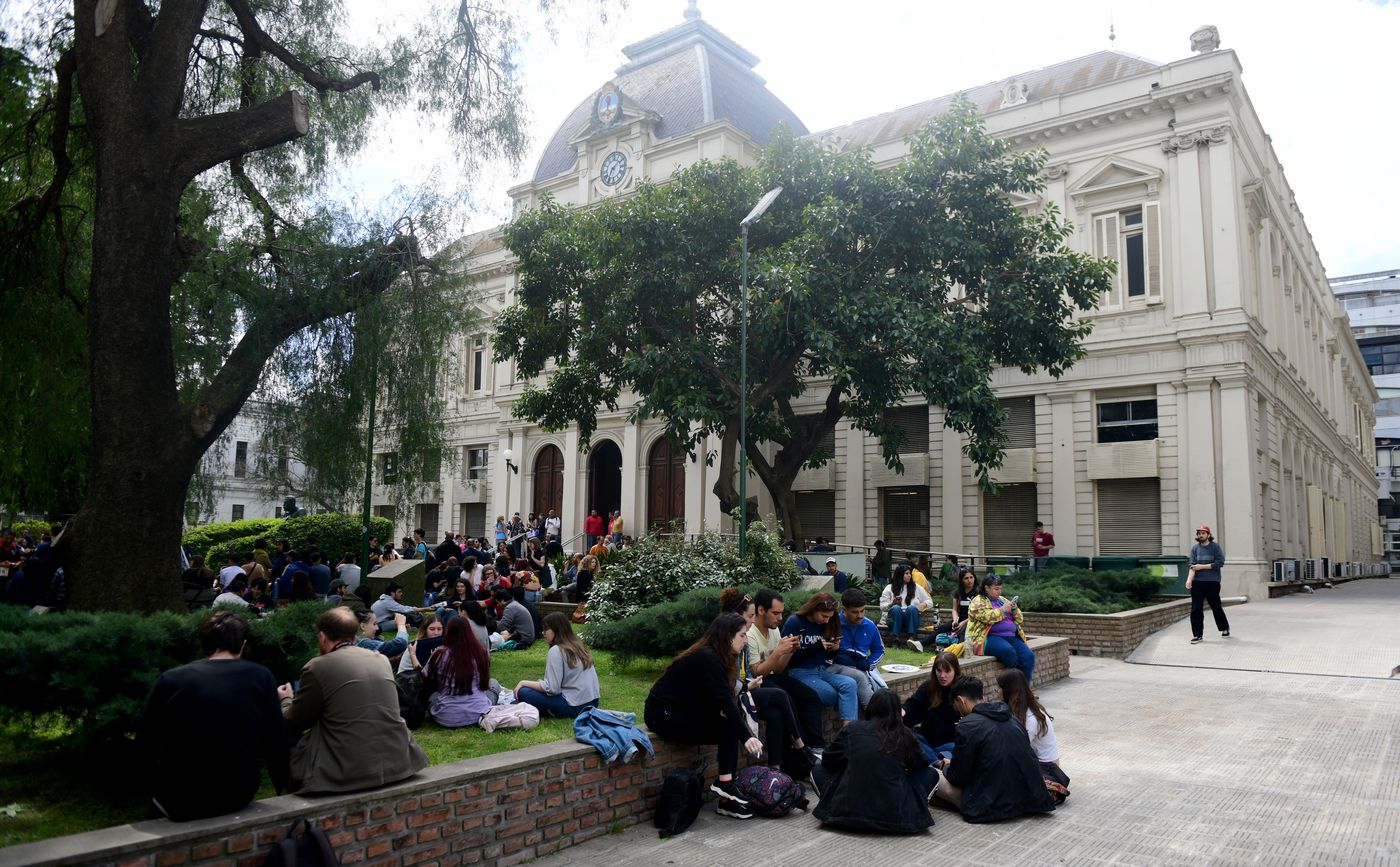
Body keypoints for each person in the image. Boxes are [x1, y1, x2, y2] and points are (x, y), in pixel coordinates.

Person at [138, 611, 289, 821]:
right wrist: (285, 789)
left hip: (180, 795)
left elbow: (147, 740)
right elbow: (276, 741)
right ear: (242, 644)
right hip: (237, 792)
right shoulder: (260, 676)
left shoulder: (172, 679)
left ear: (205, 643)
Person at [278, 607, 428, 793]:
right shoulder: (380, 659)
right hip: (400, 760)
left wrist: (285, 700)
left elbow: (295, 721)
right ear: (354, 636)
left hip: (347, 771)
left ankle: (287, 805)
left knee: (280, 735)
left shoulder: (317, 667)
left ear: (323, 637)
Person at [645, 613, 765, 819]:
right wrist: (747, 737)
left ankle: (726, 792)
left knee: (726, 724)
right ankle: (726, 787)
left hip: (683, 710)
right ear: (728, 637)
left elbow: (718, 694)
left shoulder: (718, 656)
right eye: (743, 636)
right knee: (727, 724)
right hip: (661, 714)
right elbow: (726, 703)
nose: (745, 641)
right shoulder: (707, 657)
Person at [811, 689, 937, 834]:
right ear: (897, 711)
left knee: (818, 770)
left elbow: (828, 759)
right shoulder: (905, 733)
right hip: (896, 816)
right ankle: (914, 808)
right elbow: (921, 765)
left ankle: (834, 806)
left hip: (846, 813)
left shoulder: (852, 728)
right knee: (931, 774)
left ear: (871, 707)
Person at [721, 588, 816, 780]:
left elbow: (753, 672)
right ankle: (802, 748)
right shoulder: (730, 640)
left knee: (777, 714)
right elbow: (750, 673)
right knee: (781, 695)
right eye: (750, 616)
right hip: (736, 695)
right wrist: (749, 683)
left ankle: (776, 771)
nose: (752, 620)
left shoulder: (745, 638)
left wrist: (787, 651)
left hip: (748, 688)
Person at [932, 676, 1055, 822]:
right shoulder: (1012, 718)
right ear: (981, 697)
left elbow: (958, 776)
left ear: (960, 700)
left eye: (955, 705)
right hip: (1026, 799)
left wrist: (946, 766)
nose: (956, 710)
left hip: (989, 806)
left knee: (931, 775)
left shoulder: (967, 726)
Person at [748, 588, 827, 755]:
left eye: (781, 613)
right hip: (756, 683)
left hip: (773, 677)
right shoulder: (750, 634)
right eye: (775, 613)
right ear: (761, 610)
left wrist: (789, 650)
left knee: (810, 696)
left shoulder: (774, 630)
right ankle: (801, 750)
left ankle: (817, 746)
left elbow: (777, 669)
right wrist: (778, 652)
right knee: (787, 699)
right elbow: (756, 673)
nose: (780, 618)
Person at [780, 592, 859, 729]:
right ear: (814, 609)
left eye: (829, 617)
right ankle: (848, 735)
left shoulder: (824, 624)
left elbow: (826, 658)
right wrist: (816, 647)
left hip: (822, 671)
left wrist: (833, 649)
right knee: (839, 695)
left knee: (850, 684)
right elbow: (789, 658)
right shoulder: (795, 622)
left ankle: (848, 733)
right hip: (800, 672)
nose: (827, 620)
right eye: (824, 616)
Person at [411, 616, 495, 728]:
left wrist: (412, 655)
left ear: (448, 632)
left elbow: (424, 676)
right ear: (469, 631)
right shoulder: (482, 652)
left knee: (433, 696)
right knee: (493, 685)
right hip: (478, 713)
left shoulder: (439, 654)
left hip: (445, 717)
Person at [514, 613, 602, 718]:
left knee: (523, 692)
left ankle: (546, 710)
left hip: (574, 707)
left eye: (546, 629)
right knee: (534, 689)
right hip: (592, 703)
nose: (543, 633)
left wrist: (523, 682)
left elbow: (552, 689)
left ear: (557, 629)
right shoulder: (579, 646)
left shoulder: (556, 650)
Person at [966, 573, 1035, 680]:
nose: (999, 591)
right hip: (987, 638)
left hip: (1011, 637)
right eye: (996, 588)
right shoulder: (977, 601)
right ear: (987, 588)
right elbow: (987, 617)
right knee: (1008, 652)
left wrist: (1014, 610)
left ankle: (1023, 691)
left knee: (1028, 656)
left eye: (1000, 588)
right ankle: (1016, 688)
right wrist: (1003, 610)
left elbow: (1020, 619)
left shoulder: (1002, 600)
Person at [830, 587, 885, 710]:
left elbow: (879, 650)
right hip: (836, 666)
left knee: (881, 689)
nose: (860, 615)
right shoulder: (833, 624)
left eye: (862, 611)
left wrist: (869, 664)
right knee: (860, 679)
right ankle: (875, 718)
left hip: (862, 667)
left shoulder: (870, 626)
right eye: (855, 612)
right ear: (844, 610)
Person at [902, 651, 961, 765]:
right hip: (927, 740)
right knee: (908, 735)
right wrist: (903, 711)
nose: (942, 676)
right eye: (939, 671)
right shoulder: (928, 688)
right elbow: (913, 705)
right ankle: (937, 762)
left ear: (955, 671)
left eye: (947, 671)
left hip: (951, 742)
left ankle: (931, 759)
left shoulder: (962, 689)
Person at [1188, 524, 1230, 644]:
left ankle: (1224, 628)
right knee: (1196, 609)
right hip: (1197, 583)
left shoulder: (1215, 547)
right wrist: (1189, 580)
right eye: (1199, 533)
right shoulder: (1194, 548)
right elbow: (1192, 565)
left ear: (1208, 535)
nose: (1201, 535)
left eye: (1203, 533)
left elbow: (1219, 563)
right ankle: (1197, 635)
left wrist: (1201, 566)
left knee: (1216, 607)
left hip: (1212, 582)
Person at [880, 564, 933, 648]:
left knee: (911, 608)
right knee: (896, 608)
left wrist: (923, 604)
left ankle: (911, 638)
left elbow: (930, 601)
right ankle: (895, 639)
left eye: (910, 574)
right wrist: (891, 603)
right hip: (895, 619)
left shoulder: (916, 587)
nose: (909, 575)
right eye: (906, 573)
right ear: (900, 575)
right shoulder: (889, 588)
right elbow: (882, 606)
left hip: (911, 619)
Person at [950, 567, 977, 639]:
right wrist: (955, 620)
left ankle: (956, 648)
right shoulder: (958, 592)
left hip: (971, 621)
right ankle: (920, 644)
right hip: (959, 620)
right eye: (966, 578)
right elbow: (954, 609)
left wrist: (963, 623)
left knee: (961, 632)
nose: (969, 580)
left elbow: (977, 614)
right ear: (962, 580)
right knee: (941, 628)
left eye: (971, 577)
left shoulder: (978, 593)